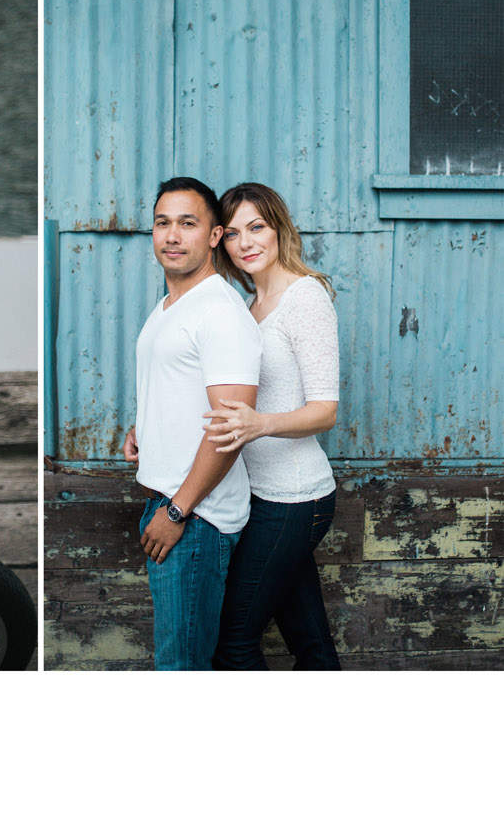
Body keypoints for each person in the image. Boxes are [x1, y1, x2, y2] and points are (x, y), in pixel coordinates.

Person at [124, 176, 261, 670]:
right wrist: (145, 426)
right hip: (173, 502)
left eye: (188, 223)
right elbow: (177, 384)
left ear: (214, 236)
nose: (172, 235)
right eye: (163, 223)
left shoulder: (220, 313)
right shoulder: (171, 305)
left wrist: (178, 512)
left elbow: (229, 430)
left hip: (196, 518)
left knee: (181, 668)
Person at [207, 182, 342, 670]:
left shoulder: (305, 298)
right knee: (310, 644)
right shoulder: (250, 307)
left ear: (279, 227)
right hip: (261, 497)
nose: (246, 243)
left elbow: (324, 410)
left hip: (295, 499)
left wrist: (260, 424)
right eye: (234, 233)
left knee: (233, 641)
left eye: (257, 227)